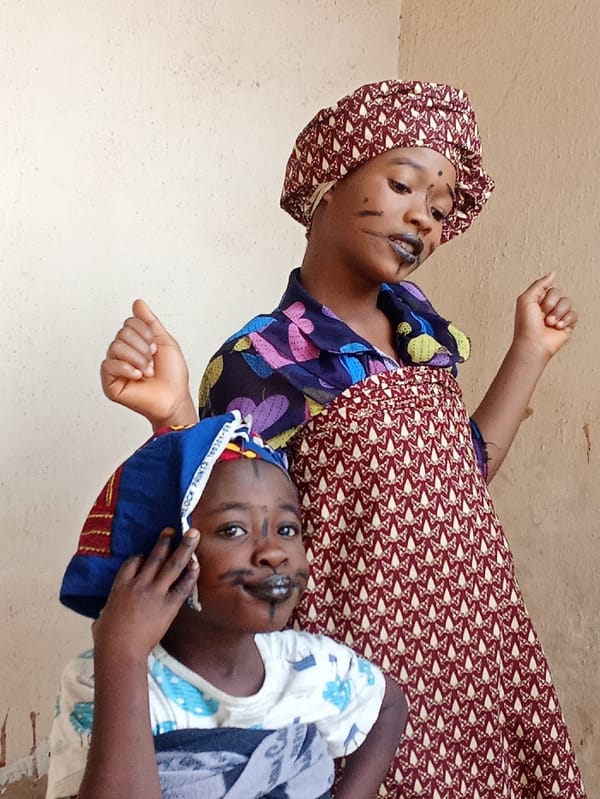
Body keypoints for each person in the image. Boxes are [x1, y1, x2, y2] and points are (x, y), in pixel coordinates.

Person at [99, 81, 586, 798]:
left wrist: (529, 353)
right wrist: (171, 414)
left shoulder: (422, 339)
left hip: (477, 639)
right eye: (402, 185)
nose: (424, 217)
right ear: (328, 180)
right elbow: (217, 515)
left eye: (441, 208)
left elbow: (462, 471)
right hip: (362, 656)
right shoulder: (264, 361)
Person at [47, 412, 407, 799]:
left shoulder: (312, 667)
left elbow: (390, 707)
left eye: (288, 529)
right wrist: (123, 653)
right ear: (162, 558)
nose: (273, 552)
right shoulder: (103, 679)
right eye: (233, 529)